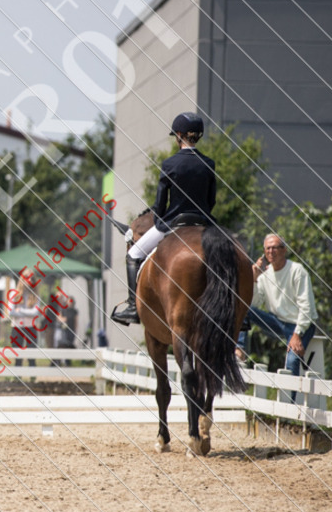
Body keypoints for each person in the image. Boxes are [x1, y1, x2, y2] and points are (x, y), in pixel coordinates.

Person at [111, 112, 216, 325]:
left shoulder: (169, 164)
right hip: (204, 223)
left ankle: (133, 307)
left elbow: (160, 204)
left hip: (173, 223)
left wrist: (159, 222)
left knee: (133, 254)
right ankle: (241, 314)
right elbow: (211, 200)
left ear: (179, 135)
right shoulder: (209, 164)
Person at [236, 234, 318, 396]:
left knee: (292, 361)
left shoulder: (297, 271)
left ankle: (290, 407)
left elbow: (306, 308)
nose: (271, 251)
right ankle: (239, 349)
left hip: (300, 325)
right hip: (277, 323)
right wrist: (254, 278)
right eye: (267, 248)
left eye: (275, 247)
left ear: (284, 250)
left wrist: (297, 334)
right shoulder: (265, 276)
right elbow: (254, 303)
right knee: (243, 307)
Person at [9, 279, 40, 364]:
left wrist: (20, 310)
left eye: (32, 278)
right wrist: (28, 313)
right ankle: (17, 376)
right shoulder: (14, 294)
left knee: (32, 356)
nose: (30, 280)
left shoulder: (35, 295)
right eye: (27, 278)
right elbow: (11, 312)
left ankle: (32, 376)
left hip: (31, 327)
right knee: (17, 356)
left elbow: (35, 312)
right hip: (17, 327)